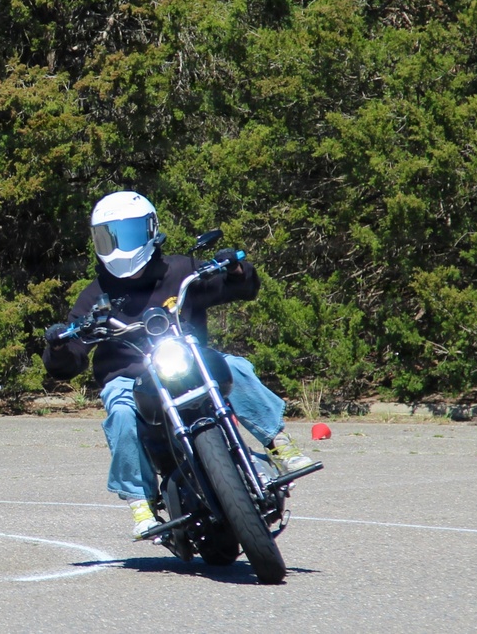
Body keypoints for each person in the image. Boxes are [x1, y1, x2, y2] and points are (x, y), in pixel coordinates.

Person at [42, 190, 314, 539]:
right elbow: (70, 357)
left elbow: (240, 287)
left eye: (128, 234)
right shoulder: (95, 296)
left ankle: (278, 443)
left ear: (151, 229)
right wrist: (59, 343)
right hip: (130, 377)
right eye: (108, 237)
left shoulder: (181, 269)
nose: (119, 246)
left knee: (235, 366)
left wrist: (234, 268)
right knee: (121, 415)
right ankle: (139, 500)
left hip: (188, 363)